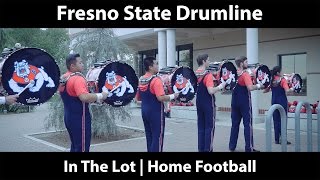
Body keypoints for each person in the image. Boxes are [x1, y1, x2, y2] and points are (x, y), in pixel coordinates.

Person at [59, 54, 108, 152]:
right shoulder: (78, 78)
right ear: (72, 66)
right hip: (80, 119)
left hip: (69, 117)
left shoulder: (64, 77)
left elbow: (71, 95)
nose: (83, 64)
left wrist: (94, 98)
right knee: (82, 149)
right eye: (80, 63)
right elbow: (84, 97)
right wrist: (101, 95)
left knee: (75, 147)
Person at [135, 57, 179, 152]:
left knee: (149, 136)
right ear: (151, 67)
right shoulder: (156, 80)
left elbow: (137, 99)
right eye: (156, 64)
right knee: (157, 137)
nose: (158, 66)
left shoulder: (141, 79)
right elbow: (161, 97)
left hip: (144, 111)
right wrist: (173, 96)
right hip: (155, 112)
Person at [229, 56, 264, 152]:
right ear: (241, 63)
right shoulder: (245, 74)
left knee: (234, 125)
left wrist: (254, 73)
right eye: (246, 62)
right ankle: (249, 148)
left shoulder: (234, 73)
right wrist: (259, 85)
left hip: (234, 102)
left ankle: (232, 146)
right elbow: (250, 87)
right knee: (247, 125)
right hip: (244, 102)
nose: (247, 63)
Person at [195, 54, 226, 152]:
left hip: (199, 102)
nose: (209, 62)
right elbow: (211, 91)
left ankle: (201, 149)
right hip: (208, 103)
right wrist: (221, 86)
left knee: (201, 126)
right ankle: (207, 149)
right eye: (208, 60)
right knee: (209, 127)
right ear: (204, 61)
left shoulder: (195, 73)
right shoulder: (207, 75)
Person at [263, 66, 294, 145]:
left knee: (276, 121)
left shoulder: (272, 80)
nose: (282, 72)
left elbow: (265, 91)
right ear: (277, 73)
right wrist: (293, 88)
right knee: (283, 121)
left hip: (274, 102)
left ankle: (277, 139)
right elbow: (287, 91)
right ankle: (283, 139)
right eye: (281, 71)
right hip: (282, 102)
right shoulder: (282, 80)